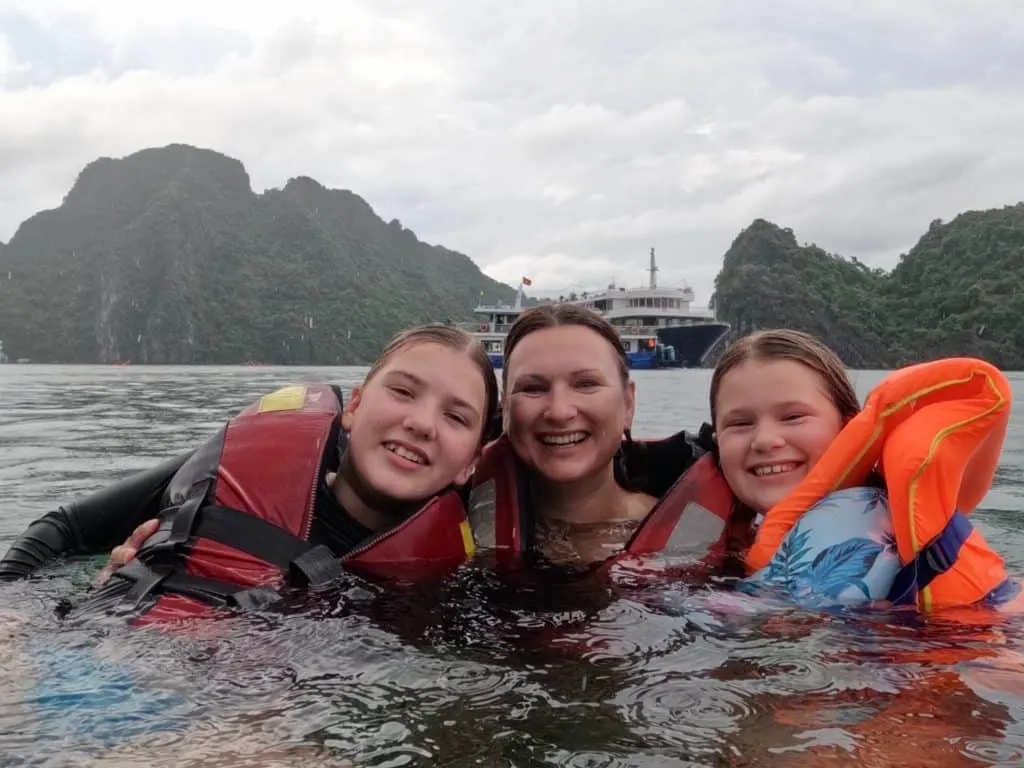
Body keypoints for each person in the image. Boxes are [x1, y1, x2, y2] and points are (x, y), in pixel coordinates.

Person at [0, 324, 501, 623]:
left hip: (242, 712)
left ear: (471, 463)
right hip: (96, 632)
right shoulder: (237, 468)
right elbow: (64, 528)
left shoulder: (455, 580)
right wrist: (13, 615)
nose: (420, 423)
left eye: (456, 417)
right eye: (404, 392)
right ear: (355, 407)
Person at [709, 328, 1019, 612]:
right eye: (740, 424)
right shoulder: (721, 542)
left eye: (793, 417)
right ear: (716, 442)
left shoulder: (874, 523)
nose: (765, 440)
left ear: (848, 427)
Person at [464, 303, 753, 575]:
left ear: (628, 403)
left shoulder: (730, 539)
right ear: (505, 409)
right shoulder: (460, 528)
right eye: (533, 388)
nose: (559, 411)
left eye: (586, 384)